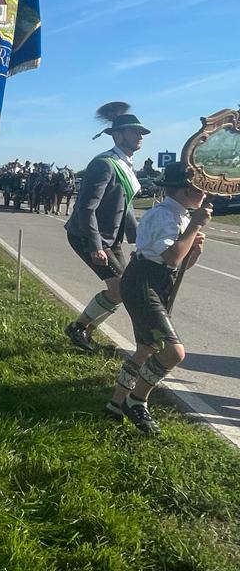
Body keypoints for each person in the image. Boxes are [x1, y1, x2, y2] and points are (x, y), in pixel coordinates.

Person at [106, 163, 213, 434]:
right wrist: (194, 227)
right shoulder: (164, 215)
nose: (204, 194)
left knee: (146, 349)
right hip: (143, 283)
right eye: (200, 189)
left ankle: (116, 403)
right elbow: (171, 258)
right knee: (173, 352)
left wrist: (195, 250)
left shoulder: (180, 215)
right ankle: (137, 401)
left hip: (156, 282)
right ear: (186, 190)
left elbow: (179, 266)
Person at [64, 103, 149, 352]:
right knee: (120, 288)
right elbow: (86, 208)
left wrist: (140, 240)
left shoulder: (124, 165)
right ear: (118, 136)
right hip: (87, 236)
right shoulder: (105, 164)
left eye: (142, 132)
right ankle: (79, 328)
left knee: (125, 289)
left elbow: (126, 207)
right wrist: (95, 246)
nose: (140, 136)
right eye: (134, 131)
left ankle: (83, 331)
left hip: (111, 239)